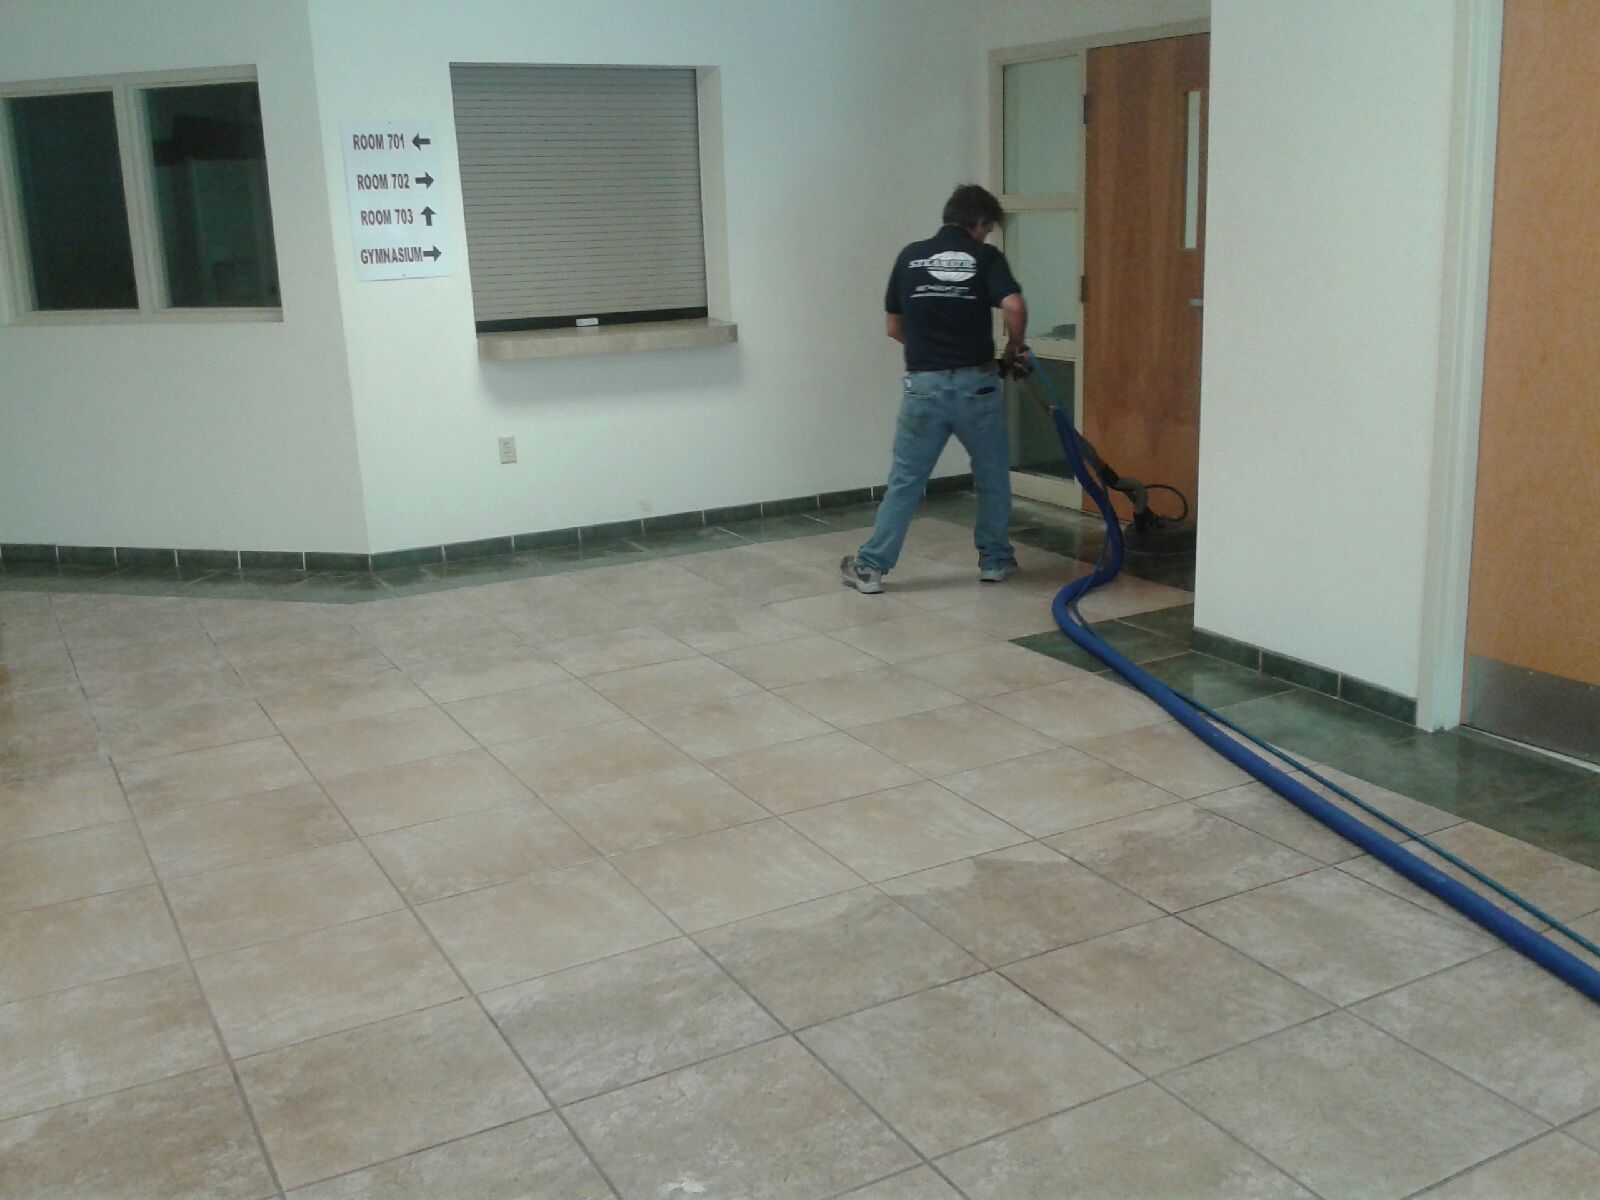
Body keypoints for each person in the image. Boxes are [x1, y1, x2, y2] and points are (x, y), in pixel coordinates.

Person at [841, 183, 1028, 595]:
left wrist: (930, 352)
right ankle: (995, 562)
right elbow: (1013, 306)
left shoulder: (909, 257)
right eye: (988, 229)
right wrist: (1013, 349)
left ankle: (871, 569)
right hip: (977, 384)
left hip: (923, 386)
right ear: (979, 222)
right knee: (992, 475)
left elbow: (893, 327)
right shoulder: (985, 256)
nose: (987, 236)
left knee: (906, 479)